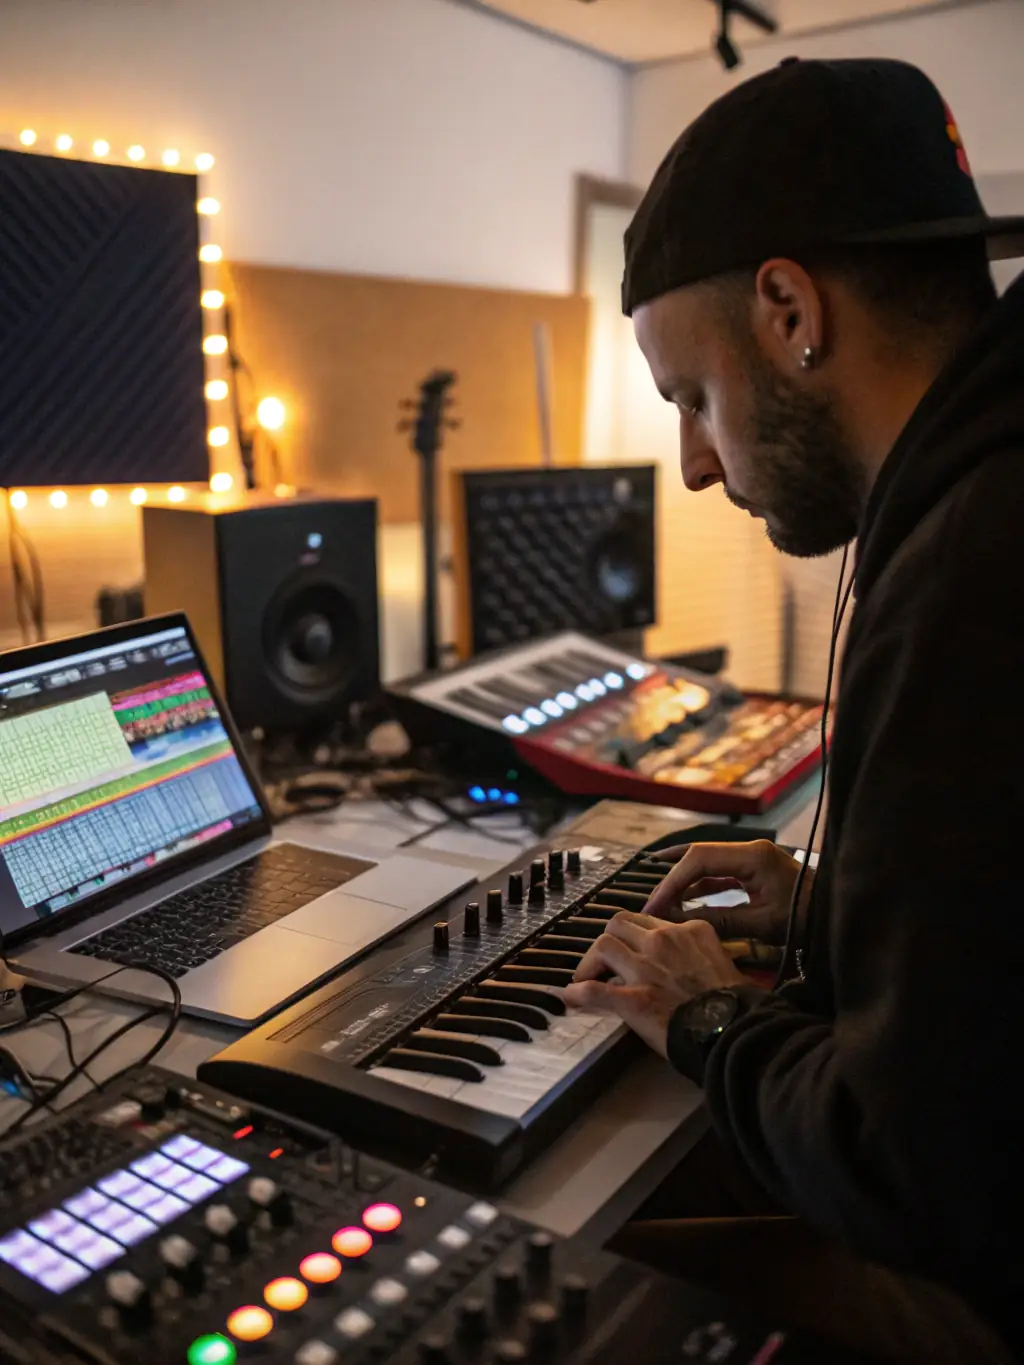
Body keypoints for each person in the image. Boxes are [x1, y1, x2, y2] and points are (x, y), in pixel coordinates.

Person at [562, 57, 1024, 1365]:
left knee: (535, 1267)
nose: (695, 465)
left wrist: (708, 1017)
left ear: (789, 311)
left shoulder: (973, 570)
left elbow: (907, 1169)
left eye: (692, 399)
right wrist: (831, 905)